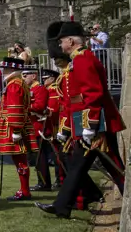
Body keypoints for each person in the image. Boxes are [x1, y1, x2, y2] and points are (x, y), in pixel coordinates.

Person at [36, 21, 126, 219]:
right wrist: (67, 129)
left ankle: (62, 205)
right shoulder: (78, 60)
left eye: (61, 41)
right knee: (80, 166)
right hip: (89, 123)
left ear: (70, 40)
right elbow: (74, 100)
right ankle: (62, 206)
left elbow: (92, 95)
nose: (59, 45)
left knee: (113, 166)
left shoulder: (84, 59)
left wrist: (89, 126)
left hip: (97, 125)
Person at [0, 57, 39, 201]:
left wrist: (16, 130)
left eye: (6, 69)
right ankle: (24, 190)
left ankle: (25, 191)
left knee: (20, 160)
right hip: (16, 126)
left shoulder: (14, 85)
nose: (4, 72)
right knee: (20, 160)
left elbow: (15, 109)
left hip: (14, 128)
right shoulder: (18, 83)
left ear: (12, 70)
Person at [24, 68, 49, 191]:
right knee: (34, 158)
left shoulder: (40, 89)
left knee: (40, 157)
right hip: (30, 126)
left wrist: (24, 108)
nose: (24, 78)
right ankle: (41, 181)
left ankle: (44, 183)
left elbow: (39, 106)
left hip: (37, 126)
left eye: (26, 75)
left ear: (33, 76)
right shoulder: (29, 90)